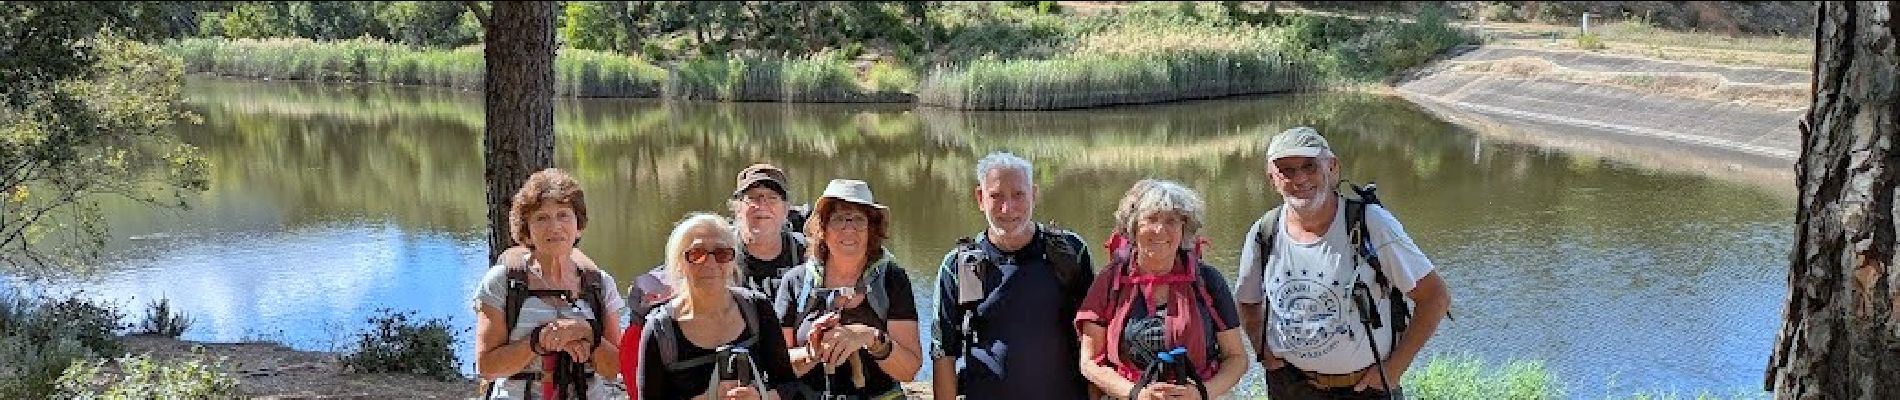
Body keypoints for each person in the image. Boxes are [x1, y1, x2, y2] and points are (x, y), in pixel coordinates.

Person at [1235, 127, 1453, 399]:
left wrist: (1394, 368)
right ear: (1272, 179)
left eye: (1309, 166)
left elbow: (1434, 296)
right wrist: (1260, 345)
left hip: (1363, 389)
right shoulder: (1264, 232)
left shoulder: (1371, 223)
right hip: (1290, 386)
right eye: (1286, 170)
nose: (1299, 178)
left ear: (1332, 167)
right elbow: (1247, 300)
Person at [930, 152, 1095, 400]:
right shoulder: (958, 266)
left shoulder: (1071, 251)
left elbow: (1095, 338)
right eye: (996, 196)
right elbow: (943, 352)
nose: (1008, 209)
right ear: (980, 198)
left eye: (1019, 195)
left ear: (1034, 194)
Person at [1076, 179, 1250, 400]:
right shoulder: (1111, 281)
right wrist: (1135, 393)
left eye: (1171, 221)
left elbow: (1236, 358)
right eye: (1151, 219)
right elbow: (1090, 361)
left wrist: (1200, 393)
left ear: (1184, 229)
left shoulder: (1207, 280)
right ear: (1133, 227)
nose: (1160, 230)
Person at [474, 168, 627, 399]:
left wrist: (586, 333)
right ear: (526, 232)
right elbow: (487, 367)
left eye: (563, 215)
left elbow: (615, 368)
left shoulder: (599, 285)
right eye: (541, 218)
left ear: (579, 225)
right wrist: (539, 341)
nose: (554, 226)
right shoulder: (503, 283)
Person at [772, 179, 923, 399]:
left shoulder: (892, 280)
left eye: (859, 220)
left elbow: (909, 370)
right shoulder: (795, 282)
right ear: (822, 229)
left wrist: (870, 337)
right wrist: (812, 352)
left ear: (872, 230)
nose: (848, 228)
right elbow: (777, 368)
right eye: (838, 219)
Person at [636, 213, 797, 400]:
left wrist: (762, 397)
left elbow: (790, 386)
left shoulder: (757, 309)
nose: (710, 263)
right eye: (697, 254)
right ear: (680, 263)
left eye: (722, 254)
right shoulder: (660, 332)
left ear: (733, 261)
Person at [730, 163, 810, 296]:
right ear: (738, 208)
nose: (762, 205)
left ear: (785, 209)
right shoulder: (720, 253)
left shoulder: (808, 253)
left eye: (772, 198)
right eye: (752, 198)